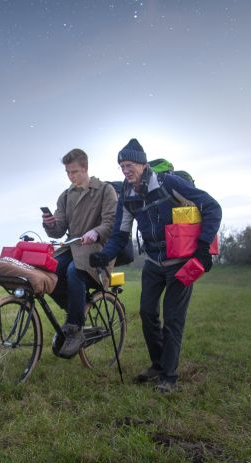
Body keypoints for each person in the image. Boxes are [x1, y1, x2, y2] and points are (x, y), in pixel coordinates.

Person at [90, 138, 222, 393]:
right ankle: (157, 364)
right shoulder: (127, 196)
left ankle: (169, 377)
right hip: (153, 262)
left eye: (129, 164)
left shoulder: (168, 183)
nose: (125, 170)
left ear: (141, 164)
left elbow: (212, 207)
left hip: (181, 263)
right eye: (121, 166)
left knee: (173, 318)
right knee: (148, 312)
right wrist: (105, 255)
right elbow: (120, 233)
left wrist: (204, 247)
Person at [42, 148, 117, 358]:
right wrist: (50, 224)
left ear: (85, 168)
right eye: (67, 172)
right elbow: (59, 229)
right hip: (73, 246)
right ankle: (78, 310)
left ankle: (74, 328)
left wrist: (96, 232)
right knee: (50, 272)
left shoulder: (105, 190)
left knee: (75, 271)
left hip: (98, 250)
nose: (70, 176)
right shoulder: (66, 196)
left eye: (74, 171)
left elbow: (111, 223)